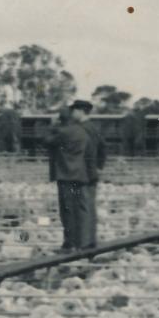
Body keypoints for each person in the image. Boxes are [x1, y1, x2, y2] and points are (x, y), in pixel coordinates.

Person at [46, 105, 91, 252]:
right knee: (79, 210)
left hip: (66, 176)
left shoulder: (62, 132)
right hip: (80, 175)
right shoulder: (82, 131)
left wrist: (52, 125)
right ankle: (81, 242)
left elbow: (46, 140)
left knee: (67, 211)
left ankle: (69, 243)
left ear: (61, 119)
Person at [70, 100, 106, 248]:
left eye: (74, 110)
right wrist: (98, 167)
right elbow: (103, 147)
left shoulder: (79, 129)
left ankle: (82, 244)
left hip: (80, 174)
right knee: (90, 208)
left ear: (80, 111)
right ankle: (90, 241)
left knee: (81, 208)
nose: (72, 113)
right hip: (91, 174)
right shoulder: (93, 128)